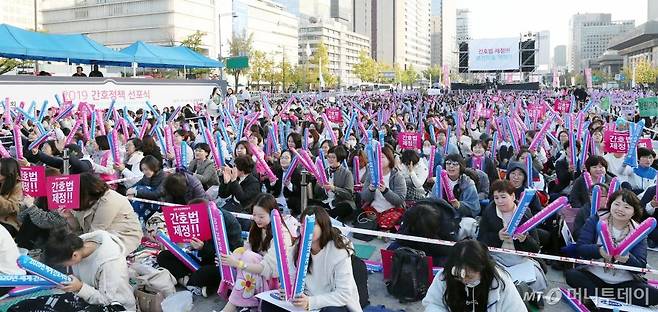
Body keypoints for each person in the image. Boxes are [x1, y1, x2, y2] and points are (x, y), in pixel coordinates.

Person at [566, 189, 658, 307]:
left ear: (634, 211)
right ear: (610, 205)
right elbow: (581, 248)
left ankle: (596, 298)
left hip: (624, 283)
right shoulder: (595, 220)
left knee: (653, 295)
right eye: (617, 204)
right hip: (594, 276)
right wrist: (599, 251)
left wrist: (627, 259)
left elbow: (640, 266)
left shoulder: (639, 231)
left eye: (626, 207)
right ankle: (605, 298)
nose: (620, 209)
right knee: (572, 275)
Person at [261, 206, 362, 312]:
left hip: (331, 303)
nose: (305, 229)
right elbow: (292, 278)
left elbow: (344, 294)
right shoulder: (297, 247)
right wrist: (287, 290)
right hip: (305, 301)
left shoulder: (338, 250)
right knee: (268, 304)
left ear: (323, 226)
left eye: (312, 225)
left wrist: (311, 302)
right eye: (302, 225)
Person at [219, 194, 296, 311]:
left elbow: (270, 270)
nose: (256, 219)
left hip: (276, 282)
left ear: (271, 214)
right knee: (239, 254)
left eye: (261, 216)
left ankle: (232, 306)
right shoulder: (257, 228)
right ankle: (239, 303)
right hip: (258, 275)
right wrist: (230, 258)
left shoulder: (281, 233)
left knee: (248, 257)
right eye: (254, 215)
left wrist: (238, 264)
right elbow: (247, 248)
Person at [157, 198, 243, 297]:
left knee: (203, 273)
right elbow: (189, 246)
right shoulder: (196, 219)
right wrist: (185, 243)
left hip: (221, 263)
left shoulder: (225, 219)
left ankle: (190, 281)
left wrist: (203, 247)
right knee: (163, 256)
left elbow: (233, 252)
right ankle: (189, 281)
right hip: (201, 260)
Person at [478, 180, 547, 296]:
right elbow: (480, 241)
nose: (499, 201)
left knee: (536, 279)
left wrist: (525, 240)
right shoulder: (489, 212)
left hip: (520, 257)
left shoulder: (525, 213)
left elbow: (535, 247)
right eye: (496, 198)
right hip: (497, 256)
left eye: (503, 197)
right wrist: (497, 237)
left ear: (513, 196)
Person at [43, 229, 136, 311]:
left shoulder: (109, 263)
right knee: (41, 304)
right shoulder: (76, 248)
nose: (65, 266)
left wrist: (80, 287)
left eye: (63, 264)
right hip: (87, 298)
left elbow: (106, 300)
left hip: (116, 305)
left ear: (74, 255)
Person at [422, 239, 526, 312]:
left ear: (482, 268)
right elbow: (433, 303)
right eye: (458, 276)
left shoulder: (500, 281)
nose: (464, 281)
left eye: (469, 277)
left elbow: (516, 309)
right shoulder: (443, 277)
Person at [65, 173, 142, 255]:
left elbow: (96, 233)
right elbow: (78, 230)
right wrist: (69, 216)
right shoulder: (84, 201)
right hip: (95, 237)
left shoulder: (110, 200)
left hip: (123, 237)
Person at [359, 144, 407, 231]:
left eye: (382, 157)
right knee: (362, 218)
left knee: (388, 220)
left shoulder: (397, 176)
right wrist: (370, 189)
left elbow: (400, 199)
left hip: (392, 209)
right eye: (376, 157)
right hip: (374, 209)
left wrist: (385, 191)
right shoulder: (371, 175)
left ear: (389, 159)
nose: (378, 160)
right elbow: (364, 197)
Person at [313, 145, 356, 222]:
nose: (330, 159)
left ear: (339, 159)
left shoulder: (346, 173)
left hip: (340, 202)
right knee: (311, 203)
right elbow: (317, 193)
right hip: (326, 201)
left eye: (333, 157)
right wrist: (318, 185)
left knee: (344, 207)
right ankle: (325, 215)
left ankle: (327, 216)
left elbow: (349, 194)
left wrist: (333, 188)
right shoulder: (325, 171)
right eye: (329, 157)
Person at [217, 155, 260, 230]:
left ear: (242, 170)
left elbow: (241, 197)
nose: (233, 168)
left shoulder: (253, 182)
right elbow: (223, 194)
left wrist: (233, 181)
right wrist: (225, 182)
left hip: (244, 210)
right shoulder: (237, 178)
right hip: (232, 206)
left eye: (235, 166)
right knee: (217, 214)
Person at [0, 158, 23, 236]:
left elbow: (12, 208)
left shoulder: (19, 185)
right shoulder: (1, 181)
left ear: (7, 171)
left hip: (9, 222)